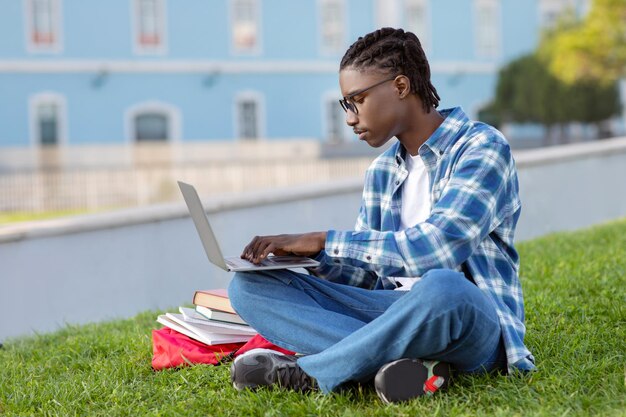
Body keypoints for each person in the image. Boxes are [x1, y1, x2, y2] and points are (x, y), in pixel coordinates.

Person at [227, 27, 535, 403]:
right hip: (391, 311)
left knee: (442, 287)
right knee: (249, 289)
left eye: (357, 100)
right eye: (346, 105)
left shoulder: (482, 148)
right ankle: (408, 366)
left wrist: (326, 239)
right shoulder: (382, 171)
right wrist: (307, 258)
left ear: (401, 86)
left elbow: (437, 249)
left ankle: (312, 371)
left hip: (466, 318)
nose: (350, 118)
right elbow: (367, 276)